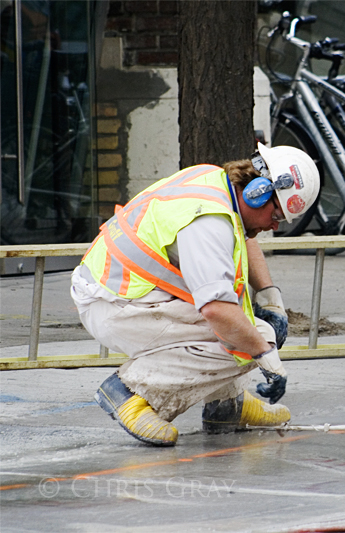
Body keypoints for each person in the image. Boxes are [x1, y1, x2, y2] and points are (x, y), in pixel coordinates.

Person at [70, 143, 320, 446]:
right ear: (259, 192)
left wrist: (269, 297)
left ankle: (226, 405)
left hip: (117, 290)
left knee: (245, 324)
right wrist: (268, 359)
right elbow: (217, 311)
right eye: (276, 215)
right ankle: (131, 394)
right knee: (254, 335)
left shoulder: (216, 183)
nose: (273, 226)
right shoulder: (208, 221)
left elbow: (244, 235)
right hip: (115, 305)